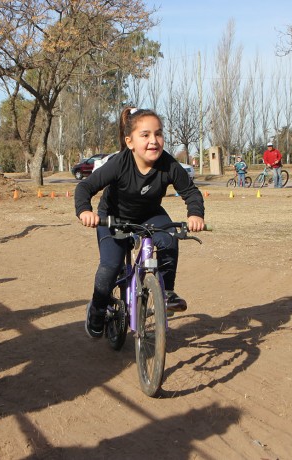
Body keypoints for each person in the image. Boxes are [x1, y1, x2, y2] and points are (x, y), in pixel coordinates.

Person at [75, 107, 205, 339]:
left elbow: (191, 192)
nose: (153, 141)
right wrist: (85, 211)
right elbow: (85, 187)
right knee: (109, 268)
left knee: (168, 240)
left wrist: (195, 215)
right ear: (130, 141)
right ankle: (97, 310)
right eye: (145, 135)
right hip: (113, 216)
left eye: (158, 134)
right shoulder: (119, 163)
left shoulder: (169, 164)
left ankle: (167, 292)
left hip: (150, 214)